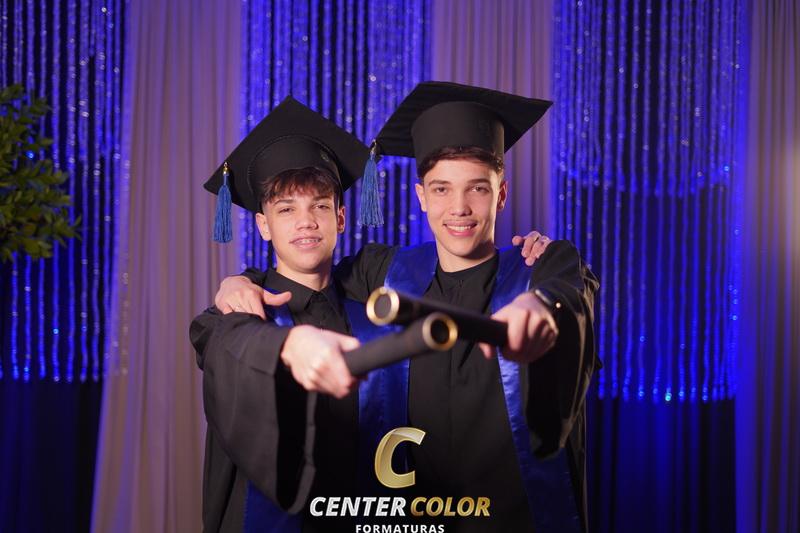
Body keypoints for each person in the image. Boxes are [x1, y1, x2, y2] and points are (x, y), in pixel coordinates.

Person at [216, 81, 599, 532]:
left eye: (478, 188)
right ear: (421, 197)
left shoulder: (541, 267)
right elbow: (306, 270)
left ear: (501, 194)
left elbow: (569, 296)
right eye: (441, 189)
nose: (459, 207)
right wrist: (241, 281)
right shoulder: (387, 272)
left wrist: (539, 307)